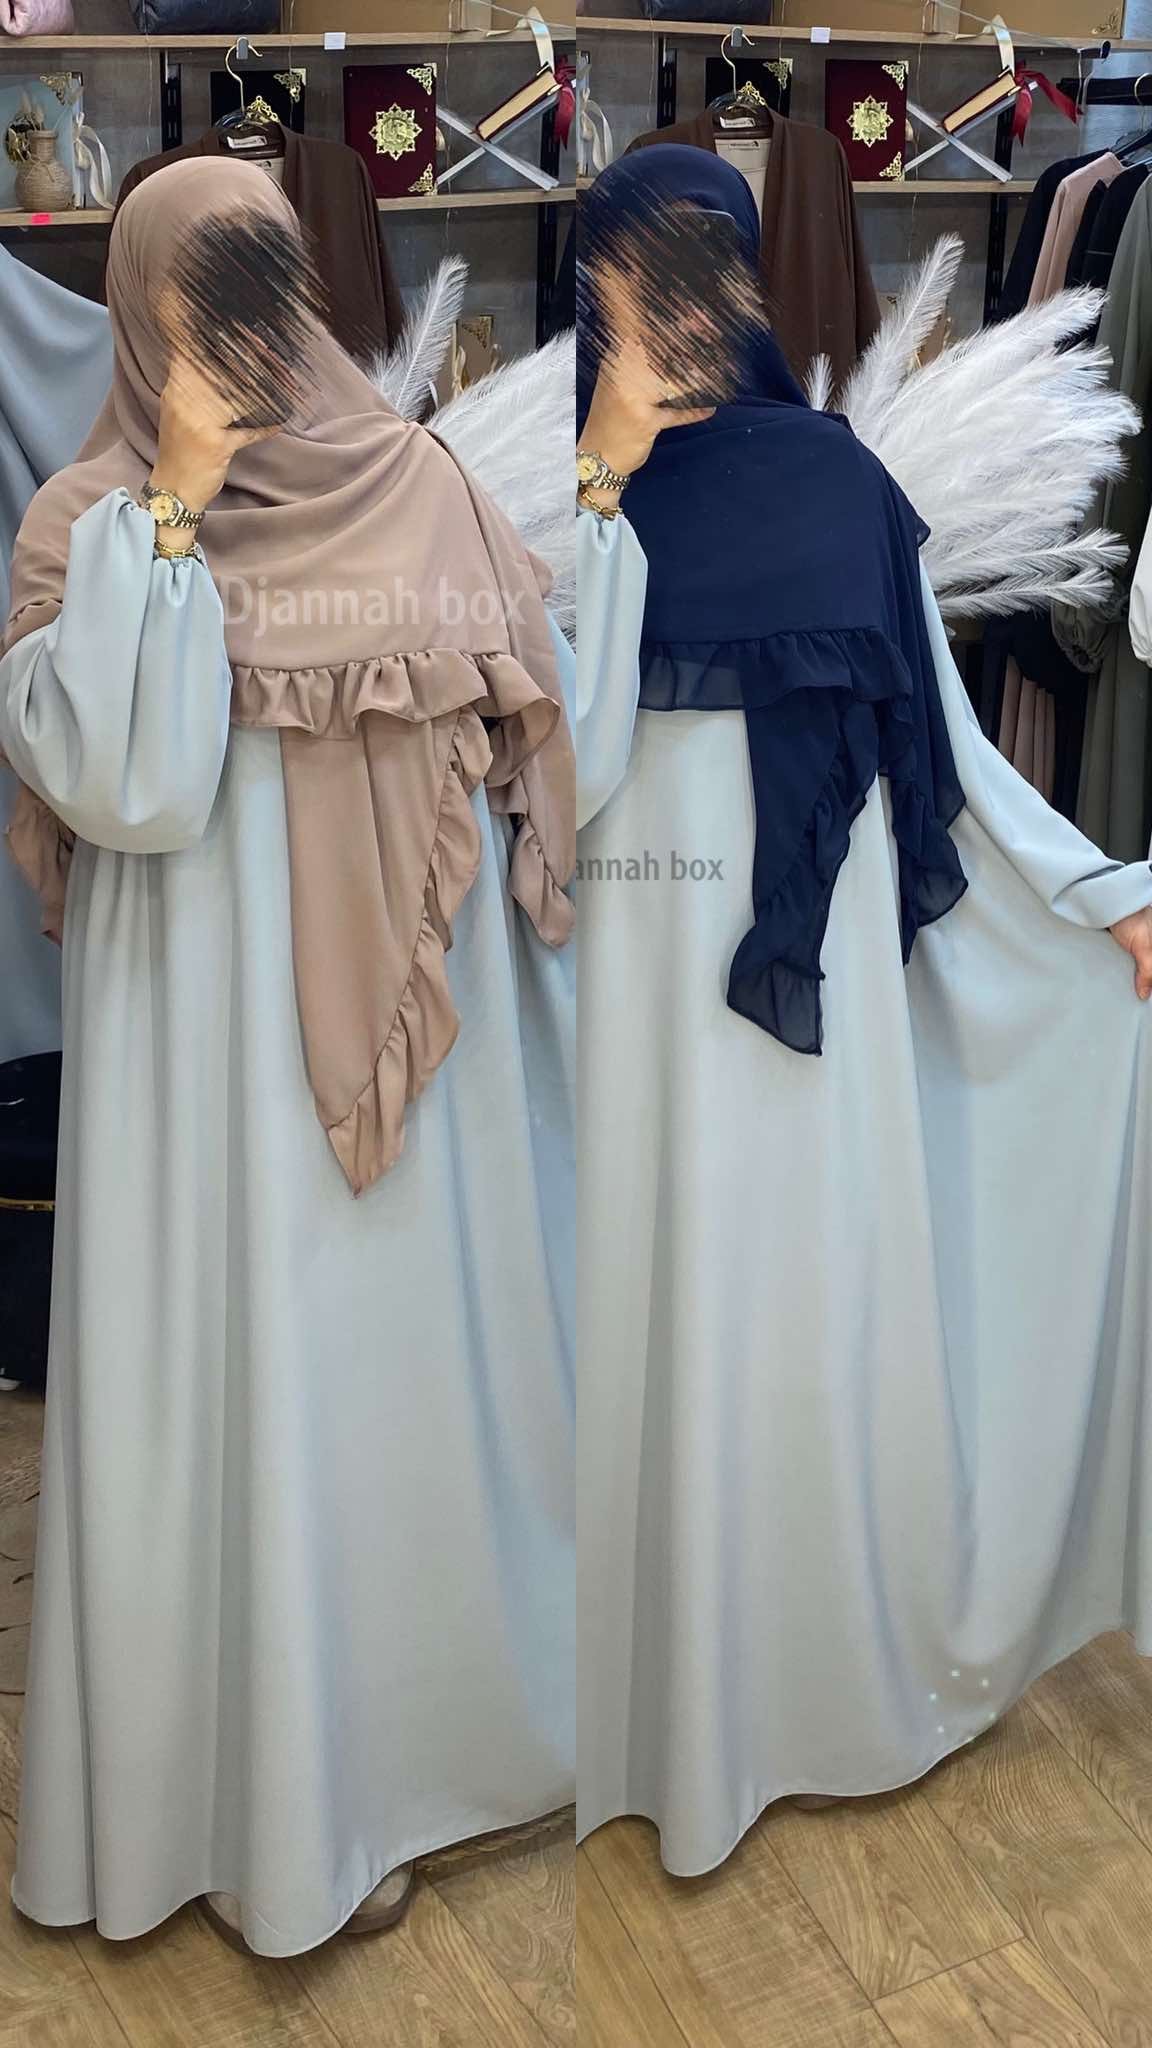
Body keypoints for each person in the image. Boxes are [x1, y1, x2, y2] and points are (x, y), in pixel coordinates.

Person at [0, 157, 575, 1955]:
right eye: (195, 296)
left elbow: (530, 751)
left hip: (388, 1088)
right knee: (207, 1406)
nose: (230, 334)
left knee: (358, 1409)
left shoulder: (419, 487)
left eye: (257, 288)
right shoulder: (84, 521)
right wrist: (171, 505)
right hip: (189, 1080)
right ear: (136, 312)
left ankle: (379, 1784)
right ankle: (208, 1812)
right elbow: (137, 788)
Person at [576, 147, 1152, 1877]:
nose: (653, 315)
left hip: (813, 1019)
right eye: (622, 279)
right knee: (661, 1307)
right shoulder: (556, 501)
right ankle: (654, 1704)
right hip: (636, 998)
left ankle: (813, 1684)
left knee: (800, 1313)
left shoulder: (841, 486)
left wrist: (1101, 898)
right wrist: (596, 493)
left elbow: (953, 761)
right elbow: (559, 773)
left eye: (684, 276)